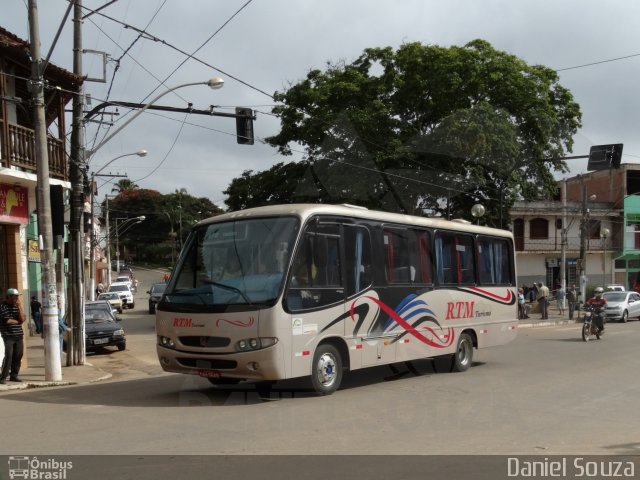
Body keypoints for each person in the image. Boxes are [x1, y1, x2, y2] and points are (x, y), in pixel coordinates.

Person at [0, 288, 26, 384]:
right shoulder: (3, 306)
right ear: (9, 296)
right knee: (9, 356)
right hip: (8, 335)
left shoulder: (17, 306)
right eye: (15, 296)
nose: (16, 298)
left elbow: (23, 318)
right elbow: (8, 321)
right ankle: (3, 377)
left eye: (17, 296)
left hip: (19, 335)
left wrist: (19, 307)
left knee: (18, 355)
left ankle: (14, 376)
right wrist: (18, 321)